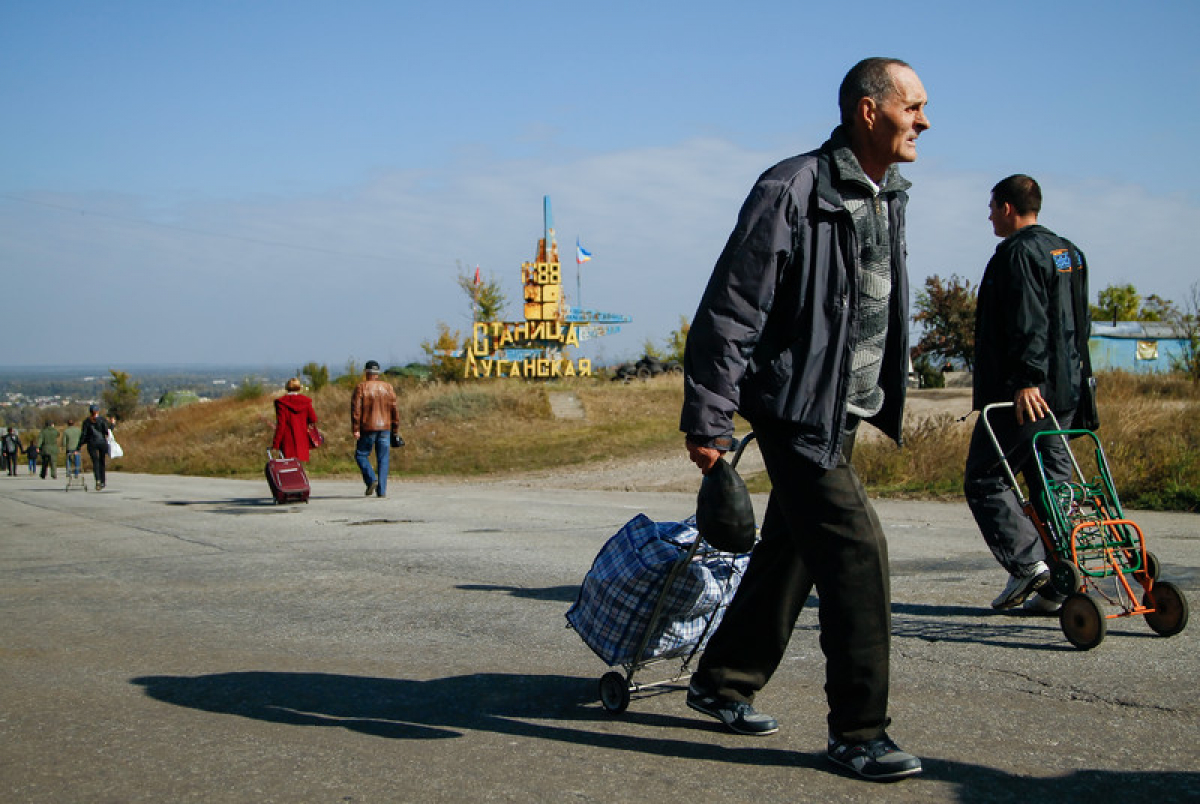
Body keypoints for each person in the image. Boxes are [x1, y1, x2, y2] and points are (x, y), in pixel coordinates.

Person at [679, 57, 929, 782]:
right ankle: (859, 732)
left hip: (840, 409)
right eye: (912, 106)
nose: (924, 121)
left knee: (790, 552)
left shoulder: (887, 193)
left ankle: (721, 680)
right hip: (794, 410)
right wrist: (709, 418)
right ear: (868, 109)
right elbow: (732, 308)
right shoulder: (791, 187)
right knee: (857, 555)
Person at [964, 174, 1091, 614]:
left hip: (1026, 394)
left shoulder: (1016, 254)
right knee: (1050, 485)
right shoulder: (1067, 252)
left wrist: (1025, 380)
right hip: (1066, 391)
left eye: (991, 207)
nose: (988, 216)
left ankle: (1028, 565)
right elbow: (1080, 324)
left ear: (1006, 207)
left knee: (984, 479)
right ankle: (1063, 580)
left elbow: (1028, 321)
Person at [350, 360, 400, 498]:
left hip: (367, 427)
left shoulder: (361, 387)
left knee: (361, 455)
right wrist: (395, 428)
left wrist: (355, 428)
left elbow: (356, 409)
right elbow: (394, 409)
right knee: (383, 458)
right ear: (378, 373)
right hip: (385, 427)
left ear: (366, 372)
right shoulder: (388, 387)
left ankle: (371, 479)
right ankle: (382, 490)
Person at [271, 378, 318, 461]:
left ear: (287, 387)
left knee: (287, 467)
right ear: (299, 387)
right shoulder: (306, 401)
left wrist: (276, 443)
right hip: (302, 439)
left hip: (288, 440)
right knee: (298, 467)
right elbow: (313, 419)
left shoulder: (281, 403)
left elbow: (281, 425)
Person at [79, 404, 112, 490]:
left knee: (95, 462)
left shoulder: (86, 421)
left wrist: (79, 445)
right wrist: (112, 425)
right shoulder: (102, 420)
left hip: (92, 443)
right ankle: (103, 481)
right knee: (102, 461)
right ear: (98, 411)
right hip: (102, 442)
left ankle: (97, 480)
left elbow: (84, 435)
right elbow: (106, 432)